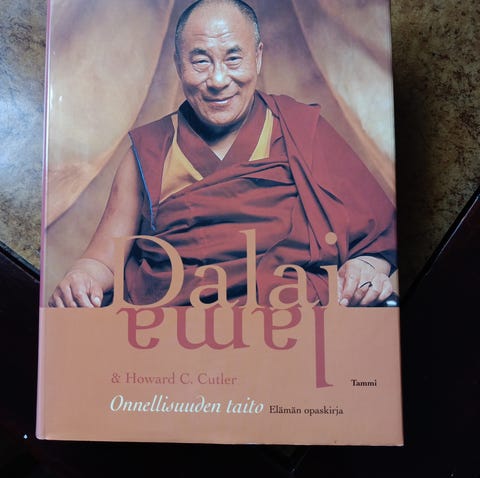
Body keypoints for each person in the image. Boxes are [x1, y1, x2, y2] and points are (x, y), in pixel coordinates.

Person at [48, 0, 397, 309]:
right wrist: (81, 279)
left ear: (258, 57)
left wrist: (365, 268)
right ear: (178, 64)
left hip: (295, 329)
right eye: (200, 61)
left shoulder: (303, 131)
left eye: (233, 58)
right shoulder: (149, 151)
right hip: (172, 338)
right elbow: (102, 262)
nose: (218, 80)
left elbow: (377, 241)